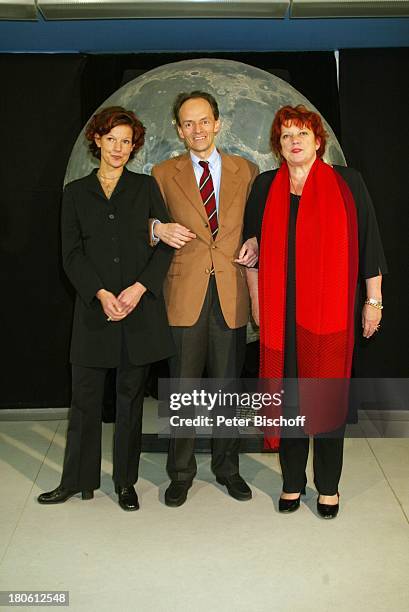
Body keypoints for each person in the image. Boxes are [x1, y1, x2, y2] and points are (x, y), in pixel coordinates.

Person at [244, 105, 387, 519]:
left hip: (330, 314)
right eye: (286, 135)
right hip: (282, 314)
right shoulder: (265, 186)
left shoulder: (347, 183)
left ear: (317, 139)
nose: (294, 141)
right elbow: (252, 250)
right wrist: (257, 301)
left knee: (324, 397)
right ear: (279, 144)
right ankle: (291, 482)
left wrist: (373, 301)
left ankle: (327, 486)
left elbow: (370, 247)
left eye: (302, 133)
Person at [38, 106, 174, 511]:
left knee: (131, 401)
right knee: (84, 401)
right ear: (96, 140)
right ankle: (75, 480)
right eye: (111, 139)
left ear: (134, 147)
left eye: (126, 141)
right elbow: (72, 255)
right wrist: (100, 293)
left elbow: (165, 243)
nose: (118, 148)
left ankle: (126, 483)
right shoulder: (75, 193)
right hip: (94, 312)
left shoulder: (147, 187)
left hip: (138, 312)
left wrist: (138, 289)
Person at [150, 91, 259, 507]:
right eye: (187, 123)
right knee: (183, 388)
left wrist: (257, 242)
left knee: (228, 387)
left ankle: (228, 469)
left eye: (203, 121)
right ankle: (180, 473)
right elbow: (144, 218)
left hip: (230, 289)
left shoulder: (246, 170)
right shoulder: (162, 173)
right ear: (179, 130)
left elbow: (259, 222)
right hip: (184, 292)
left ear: (218, 123)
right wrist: (156, 228)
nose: (196, 129)